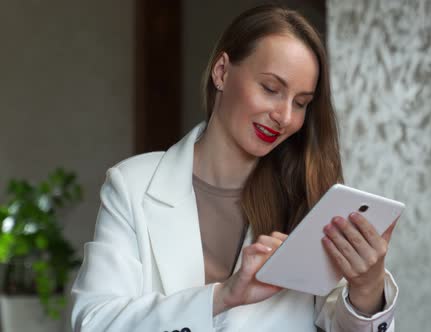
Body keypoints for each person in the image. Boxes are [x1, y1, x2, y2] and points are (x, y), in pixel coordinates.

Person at [71, 4, 399, 332]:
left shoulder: (306, 197)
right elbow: (94, 322)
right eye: (271, 89)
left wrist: (367, 288)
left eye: (300, 103)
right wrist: (222, 297)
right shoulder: (132, 184)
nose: (285, 116)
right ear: (222, 72)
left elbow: (336, 323)